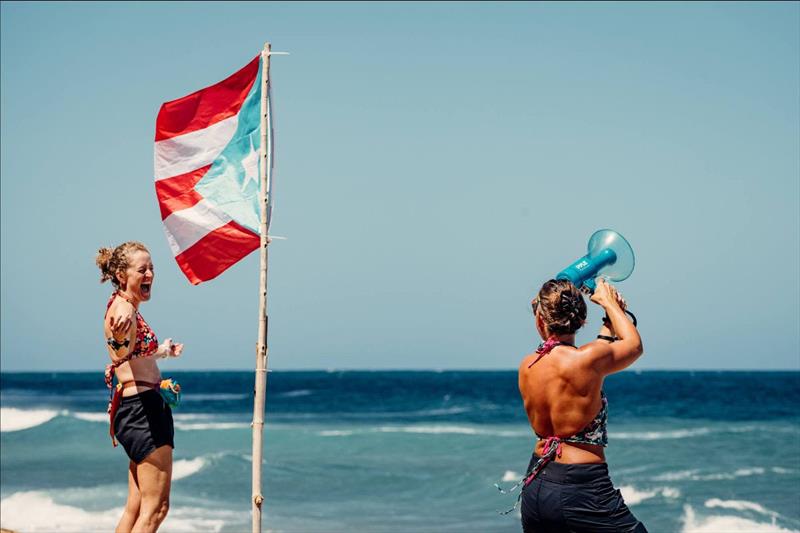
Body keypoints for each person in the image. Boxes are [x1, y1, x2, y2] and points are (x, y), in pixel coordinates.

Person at [517, 278, 647, 533]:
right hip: (583, 488)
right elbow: (634, 346)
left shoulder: (527, 365)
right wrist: (610, 304)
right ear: (580, 318)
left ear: (541, 319)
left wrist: (609, 323)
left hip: (536, 487)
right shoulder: (587, 361)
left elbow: (594, 352)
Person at [96, 241, 183, 533]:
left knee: (135, 508)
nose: (149, 275)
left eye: (152, 269)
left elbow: (131, 354)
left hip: (133, 410)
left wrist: (162, 352)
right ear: (122, 275)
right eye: (142, 269)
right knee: (156, 509)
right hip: (143, 412)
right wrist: (119, 342)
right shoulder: (125, 311)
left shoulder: (123, 304)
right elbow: (120, 352)